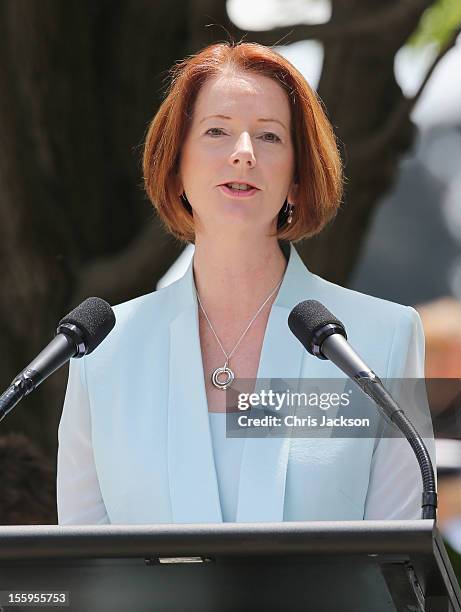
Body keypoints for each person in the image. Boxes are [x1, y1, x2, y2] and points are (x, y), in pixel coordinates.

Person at [57, 41, 435, 525]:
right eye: (216, 131)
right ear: (175, 168)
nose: (243, 154)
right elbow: (85, 572)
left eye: (270, 137)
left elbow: (397, 569)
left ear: (298, 178)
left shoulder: (381, 338)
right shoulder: (104, 350)